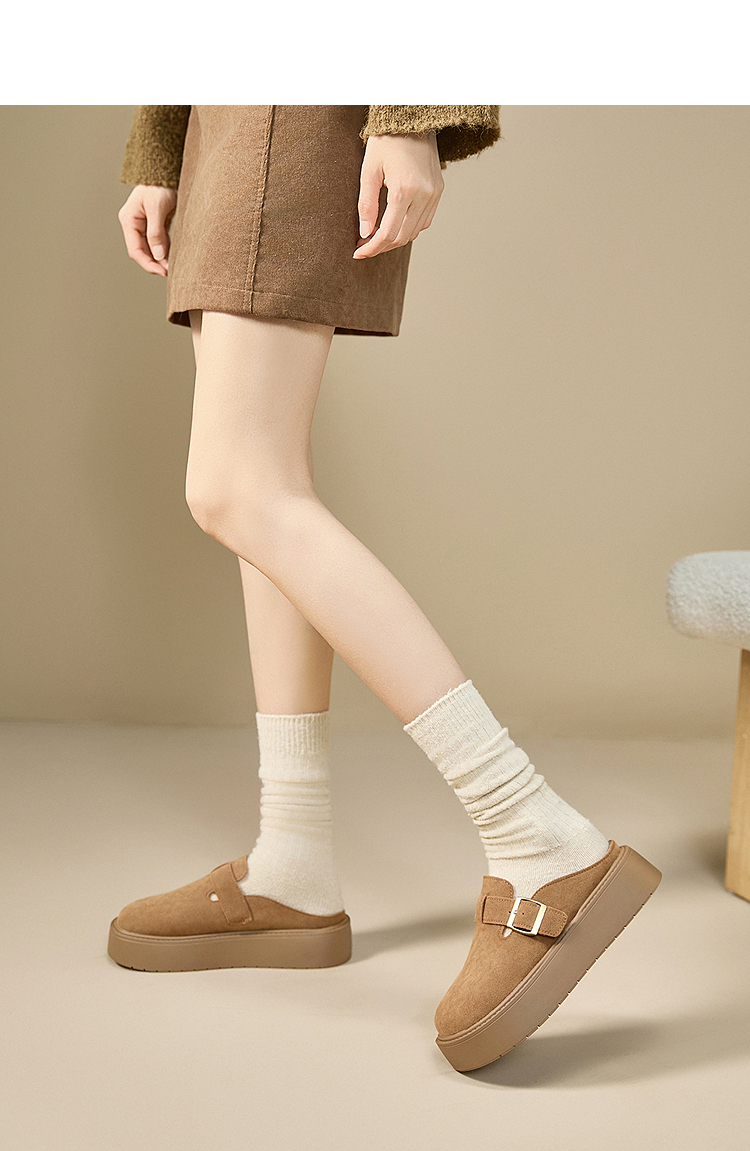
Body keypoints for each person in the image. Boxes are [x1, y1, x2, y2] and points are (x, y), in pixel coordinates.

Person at [110, 105, 660, 1072]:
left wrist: (409, 118)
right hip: (222, 115)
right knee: (262, 487)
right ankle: (293, 863)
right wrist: (167, 143)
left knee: (242, 488)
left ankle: (535, 833)